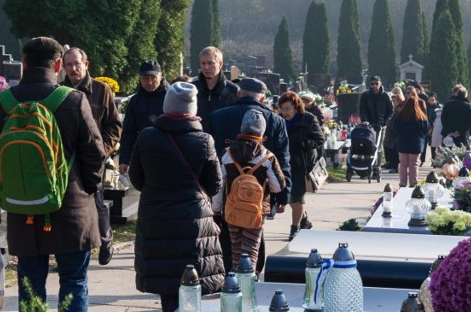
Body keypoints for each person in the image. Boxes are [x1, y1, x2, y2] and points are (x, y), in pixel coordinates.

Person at [0, 37, 106, 311]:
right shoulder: (74, 100)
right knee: (74, 281)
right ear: (58, 64)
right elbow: (95, 154)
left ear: (24, 63)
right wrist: (89, 189)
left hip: (23, 209)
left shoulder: (1, 103)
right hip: (72, 209)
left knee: (30, 284)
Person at [129, 82, 224, 312]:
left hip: (156, 218)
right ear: (193, 109)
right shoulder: (204, 141)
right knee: (191, 282)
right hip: (193, 221)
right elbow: (214, 185)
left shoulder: (147, 137)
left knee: (166, 282)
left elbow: (136, 179)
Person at [206, 77, 291, 273]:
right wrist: (283, 198)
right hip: (259, 200)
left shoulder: (217, 117)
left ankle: (230, 274)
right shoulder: (276, 121)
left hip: (229, 197)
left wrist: (214, 205)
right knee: (253, 241)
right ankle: (250, 276)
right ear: (262, 100)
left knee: (230, 239)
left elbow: (211, 162)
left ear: (238, 94)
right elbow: (283, 161)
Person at [61, 47, 122, 265]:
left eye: (77, 64)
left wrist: (102, 151)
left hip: (94, 160)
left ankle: (105, 241)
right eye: (69, 65)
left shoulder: (100, 90)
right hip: (67, 160)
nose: (73, 69)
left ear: (86, 65)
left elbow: (114, 125)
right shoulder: (59, 91)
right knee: (67, 205)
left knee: (96, 202)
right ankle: (70, 249)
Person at [277, 91, 325, 241]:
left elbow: (319, 139)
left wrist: (304, 144)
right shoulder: (279, 120)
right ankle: (304, 220)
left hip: (302, 164)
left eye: (288, 109)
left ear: (296, 107)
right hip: (285, 163)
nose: (285, 112)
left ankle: (294, 228)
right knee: (291, 199)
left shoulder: (308, 119)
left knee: (297, 198)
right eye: (282, 109)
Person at [118, 61, 169, 175]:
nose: (149, 82)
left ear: (160, 76)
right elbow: (128, 132)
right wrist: (124, 159)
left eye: (153, 78)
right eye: (145, 78)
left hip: (168, 155)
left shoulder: (171, 98)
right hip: (143, 156)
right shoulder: (135, 101)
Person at [192, 46, 239, 130]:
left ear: (220, 64)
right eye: (203, 63)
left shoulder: (233, 91)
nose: (206, 67)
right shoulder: (192, 89)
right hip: (197, 139)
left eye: (210, 63)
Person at [393, 89, 429, 187]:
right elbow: (426, 129)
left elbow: (395, 128)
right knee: (414, 164)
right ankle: (413, 183)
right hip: (416, 144)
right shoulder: (421, 117)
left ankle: (402, 183)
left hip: (403, 143)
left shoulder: (400, 116)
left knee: (403, 164)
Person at [441, 84, 471, 148]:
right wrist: (460, 132)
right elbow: (470, 121)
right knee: (463, 155)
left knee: (446, 155)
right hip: (462, 135)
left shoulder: (448, 104)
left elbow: (443, 118)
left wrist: (449, 131)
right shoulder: (468, 106)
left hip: (448, 135)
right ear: (465, 95)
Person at [382, 87, 405, 173]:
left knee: (394, 152)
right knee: (390, 149)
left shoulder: (399, 110)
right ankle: (391, 164)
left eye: (394, 101)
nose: (392, 103)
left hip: (395, 135)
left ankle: (395, 166)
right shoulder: (394, 110)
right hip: (391, 134)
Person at [426, 92, 441, 162]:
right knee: (432, 145)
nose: (431, 101)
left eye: (433, 100)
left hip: (436, 127)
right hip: (429, 127)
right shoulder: (427, 106)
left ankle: (438, 160)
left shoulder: (439, 107)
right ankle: (433, 160)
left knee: (438, 144)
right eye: (430, 100)